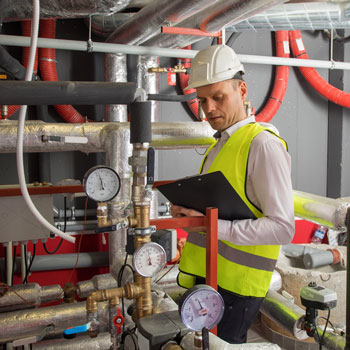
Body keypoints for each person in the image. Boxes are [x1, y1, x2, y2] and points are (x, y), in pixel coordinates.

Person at [171, 45, 294, 344]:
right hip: (209, 280)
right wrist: (189, 212)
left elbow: (283, 227)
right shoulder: (220, 145)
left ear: (242, 89)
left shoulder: (262, 145)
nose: (208, 108)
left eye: (218, 97)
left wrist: (212, 226)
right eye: (202, 100)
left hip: (238, 290)